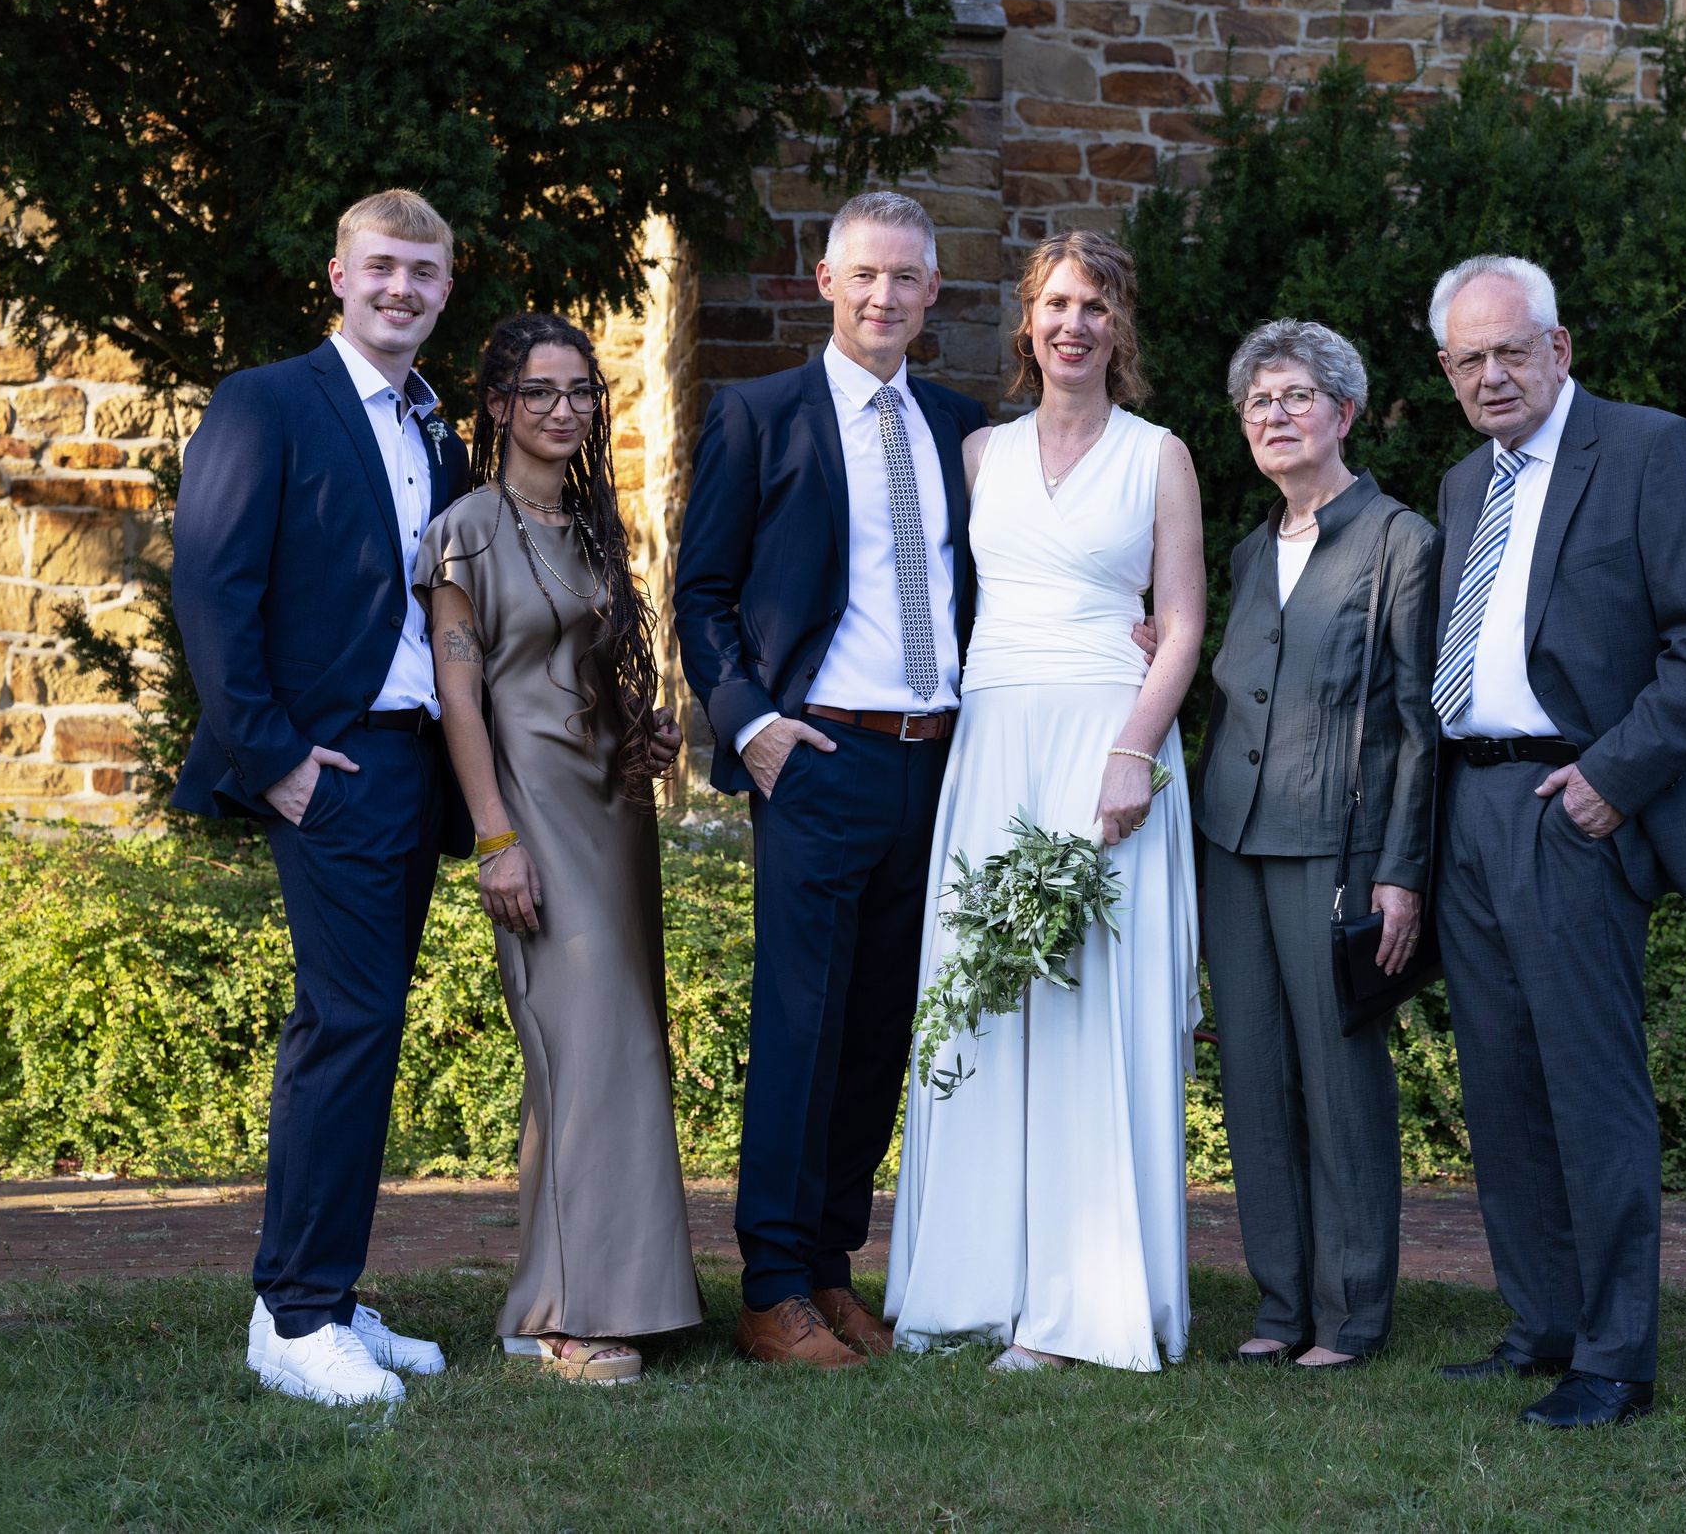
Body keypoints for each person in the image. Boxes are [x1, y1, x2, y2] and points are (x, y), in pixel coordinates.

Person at [1423, 255, 1686, 1428]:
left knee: (1589, 1087)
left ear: (1560, 350)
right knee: (1501, 1087)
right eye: (1472, 359)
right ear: (1450, 375)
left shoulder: (1650, 451)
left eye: (1514, 350)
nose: (1495, 373)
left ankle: (1616, 1359)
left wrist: (1611, 779)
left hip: (1572, 805)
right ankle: (1543, 1324)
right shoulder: (1467, 484)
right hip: (1468, 808)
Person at [671, 191, 991, 1369]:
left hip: (934, 762)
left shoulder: (962, 426)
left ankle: (830, 1271)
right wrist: (747, 720)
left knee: (877, 1030)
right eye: (865, 275)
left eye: (906, 278)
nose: (884, 296)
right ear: (823, 280)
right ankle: (767, 1290)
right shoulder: (760, 416)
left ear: (931, 294)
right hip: (817, 757)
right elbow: (699, 590)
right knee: (802, 1026)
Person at [886, 228, 1207, 1374]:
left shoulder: (1158, 455)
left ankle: (1081, 1304)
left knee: (1085, 1011)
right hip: (997, 739)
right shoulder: (976, 454)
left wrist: (1133, 749)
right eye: (1055, 304)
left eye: (1097, 307)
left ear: (1122, 329)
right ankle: (978, 1279)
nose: (1074, 324)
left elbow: (1180, 626)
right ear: (1027, 323)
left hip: (1105, 745)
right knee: (984, 1004)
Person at [170, 189, 471, 1406]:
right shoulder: (268, 401)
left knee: (365, 1026)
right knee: (346, 1029)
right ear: (337, 274)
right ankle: (295, 1322)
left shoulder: (437, 432)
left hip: (414, 759)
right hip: (326, 764)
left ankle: (325, 1290)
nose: (403, 289)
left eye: (427, 273)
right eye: (384, 267)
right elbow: (212, 585)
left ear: (445, 291)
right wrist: (274, 756)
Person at [417, 314, 698, 1384]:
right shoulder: (463, 534)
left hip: (611, 816)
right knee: (587, 1049)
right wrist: (495, 839)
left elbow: (591, 677)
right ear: (495, 406)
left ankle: (573, 1288)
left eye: (580, 391)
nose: (562, 410)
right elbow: (459, 698)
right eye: (539, 392)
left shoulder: (590, 534)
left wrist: (646, 733)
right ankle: (573, 1314)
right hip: (529, 813)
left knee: (613, 1049)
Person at [1195, 319, 1440, 1372]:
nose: (1275, 417)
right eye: (1258, 402)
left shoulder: (1400, 541)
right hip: (1230, 848)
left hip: (1337, 852)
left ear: (1343, 412)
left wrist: (1400, 871)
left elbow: (1420, 725)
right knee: (1251, 1075)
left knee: (1340, 1082)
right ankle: (1278, 1304)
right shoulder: (1250, 552)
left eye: (1296, 397)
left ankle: (1349, 1317)